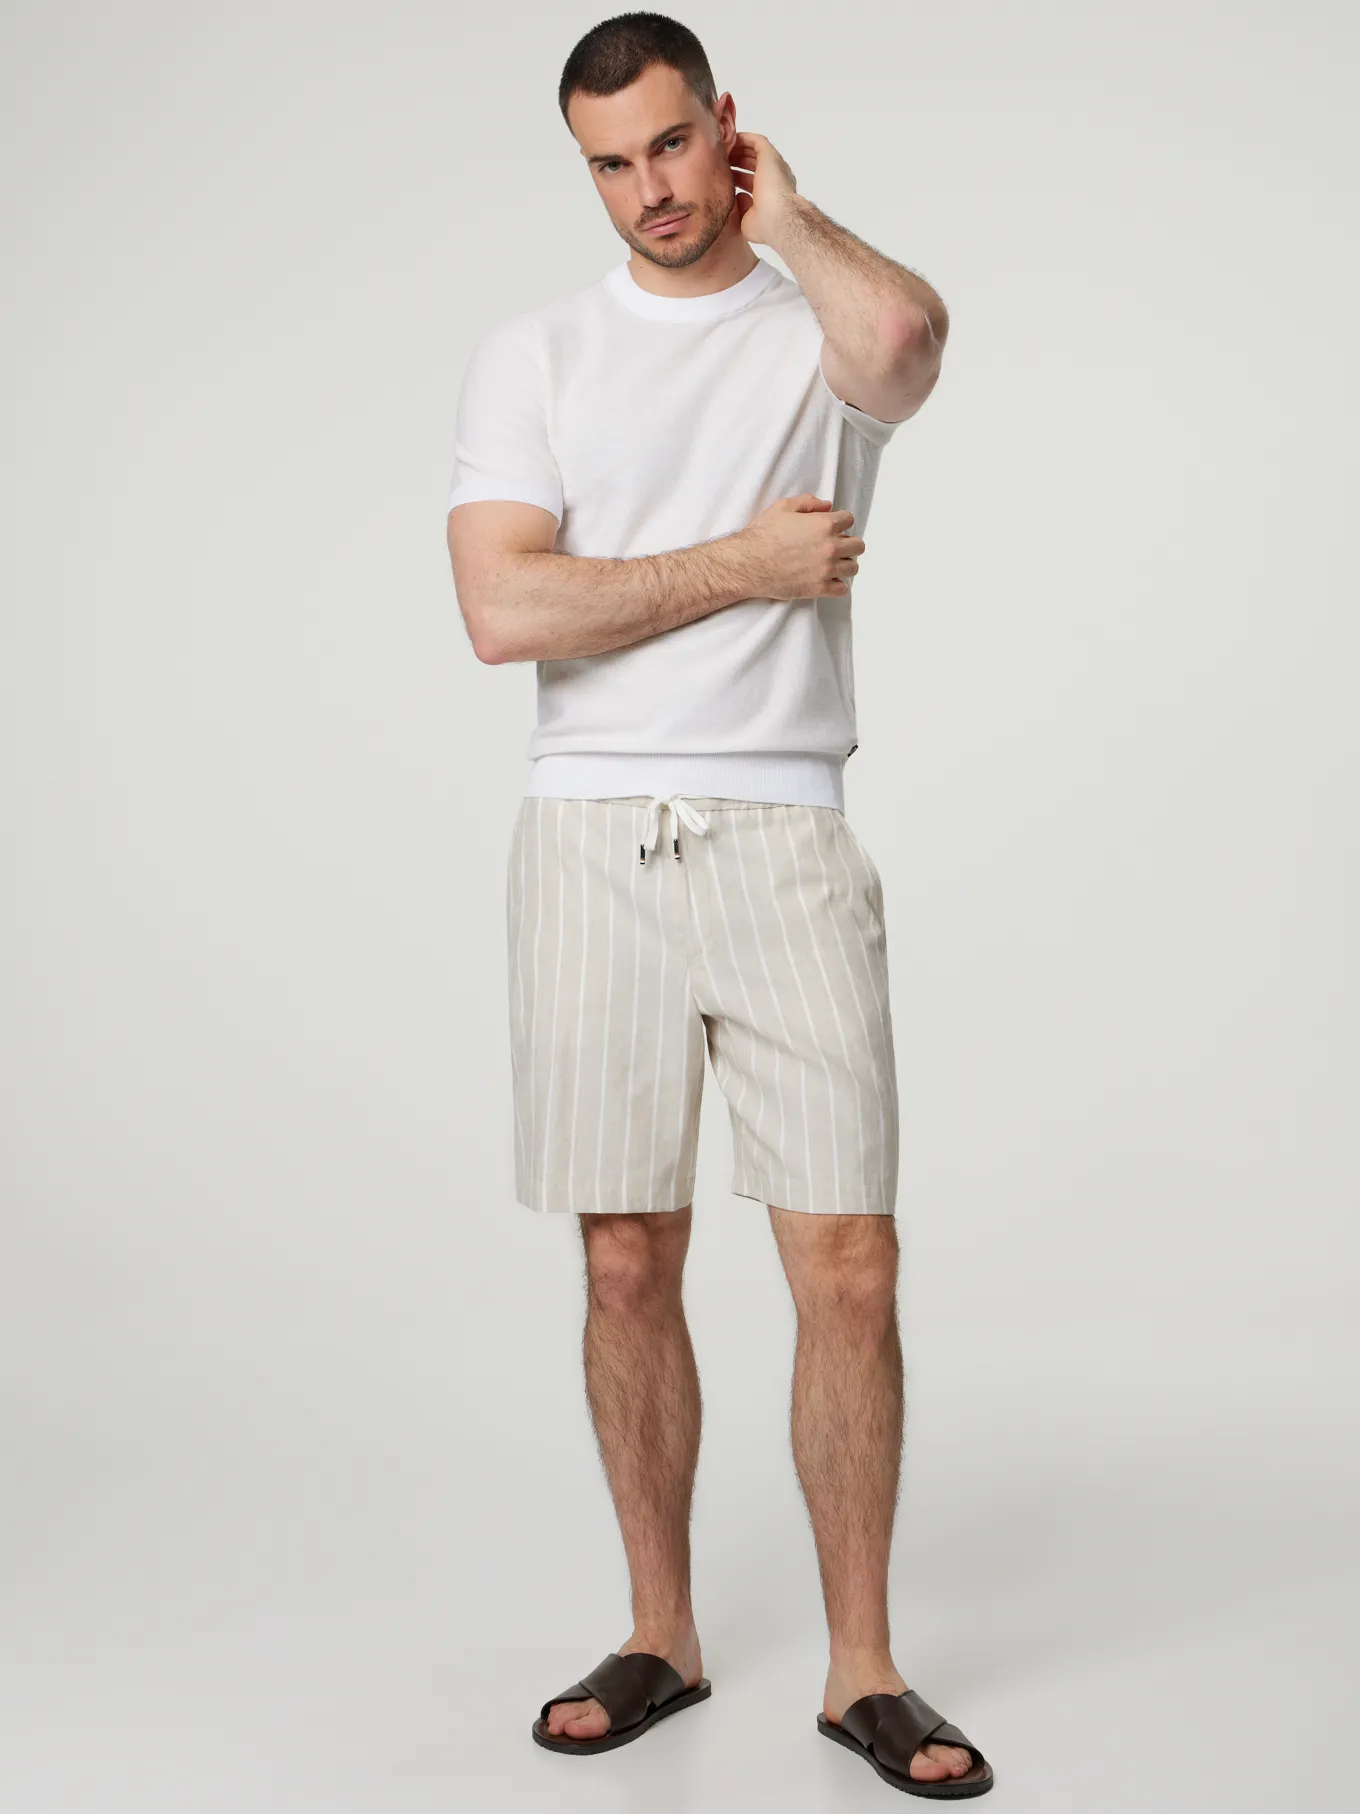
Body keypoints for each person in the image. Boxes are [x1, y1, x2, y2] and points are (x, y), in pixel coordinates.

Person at [444, 12, 993, 1799]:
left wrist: (798, 218)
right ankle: (662, 1631)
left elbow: (909, 343)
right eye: (610, 164)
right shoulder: (535, 353)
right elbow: (504, 611)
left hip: (785, 827)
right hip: (588, 836)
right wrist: (747, 565)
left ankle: (863, 1666)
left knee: (850, 1258)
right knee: (625, 1252)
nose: (648, 190)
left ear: (726, 129)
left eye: (672, 146)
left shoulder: (816, 331)